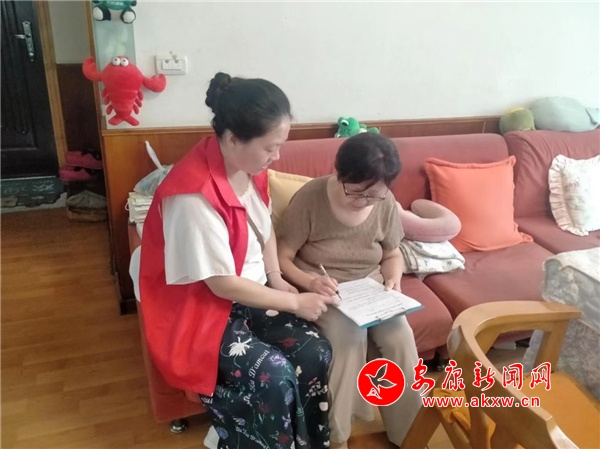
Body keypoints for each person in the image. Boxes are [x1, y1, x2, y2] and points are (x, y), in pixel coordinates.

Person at [138, 72, 338, 449]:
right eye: (270, 148)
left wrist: (277, 276)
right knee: (274, 376)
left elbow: (264, 228)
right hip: (203, 311)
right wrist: (295, 302)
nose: (277, 157)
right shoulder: (192, 196)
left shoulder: (247, 167)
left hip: (252, 295)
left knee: (316, 351)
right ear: (232, 139)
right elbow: (221, 284)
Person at [277, 133, 422, 449]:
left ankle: (411, 434)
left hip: (370, 288)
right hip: (324, 287)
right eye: (356, 192)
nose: (364, 201)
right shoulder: (311, 198)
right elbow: (282, 257)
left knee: (400, 337)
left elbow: (392, 253)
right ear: (340, 174)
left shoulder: (385, 203)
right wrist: (310, 282)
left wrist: (393, 280)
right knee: (347, 338)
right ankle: (337, 436)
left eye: (374, 195)